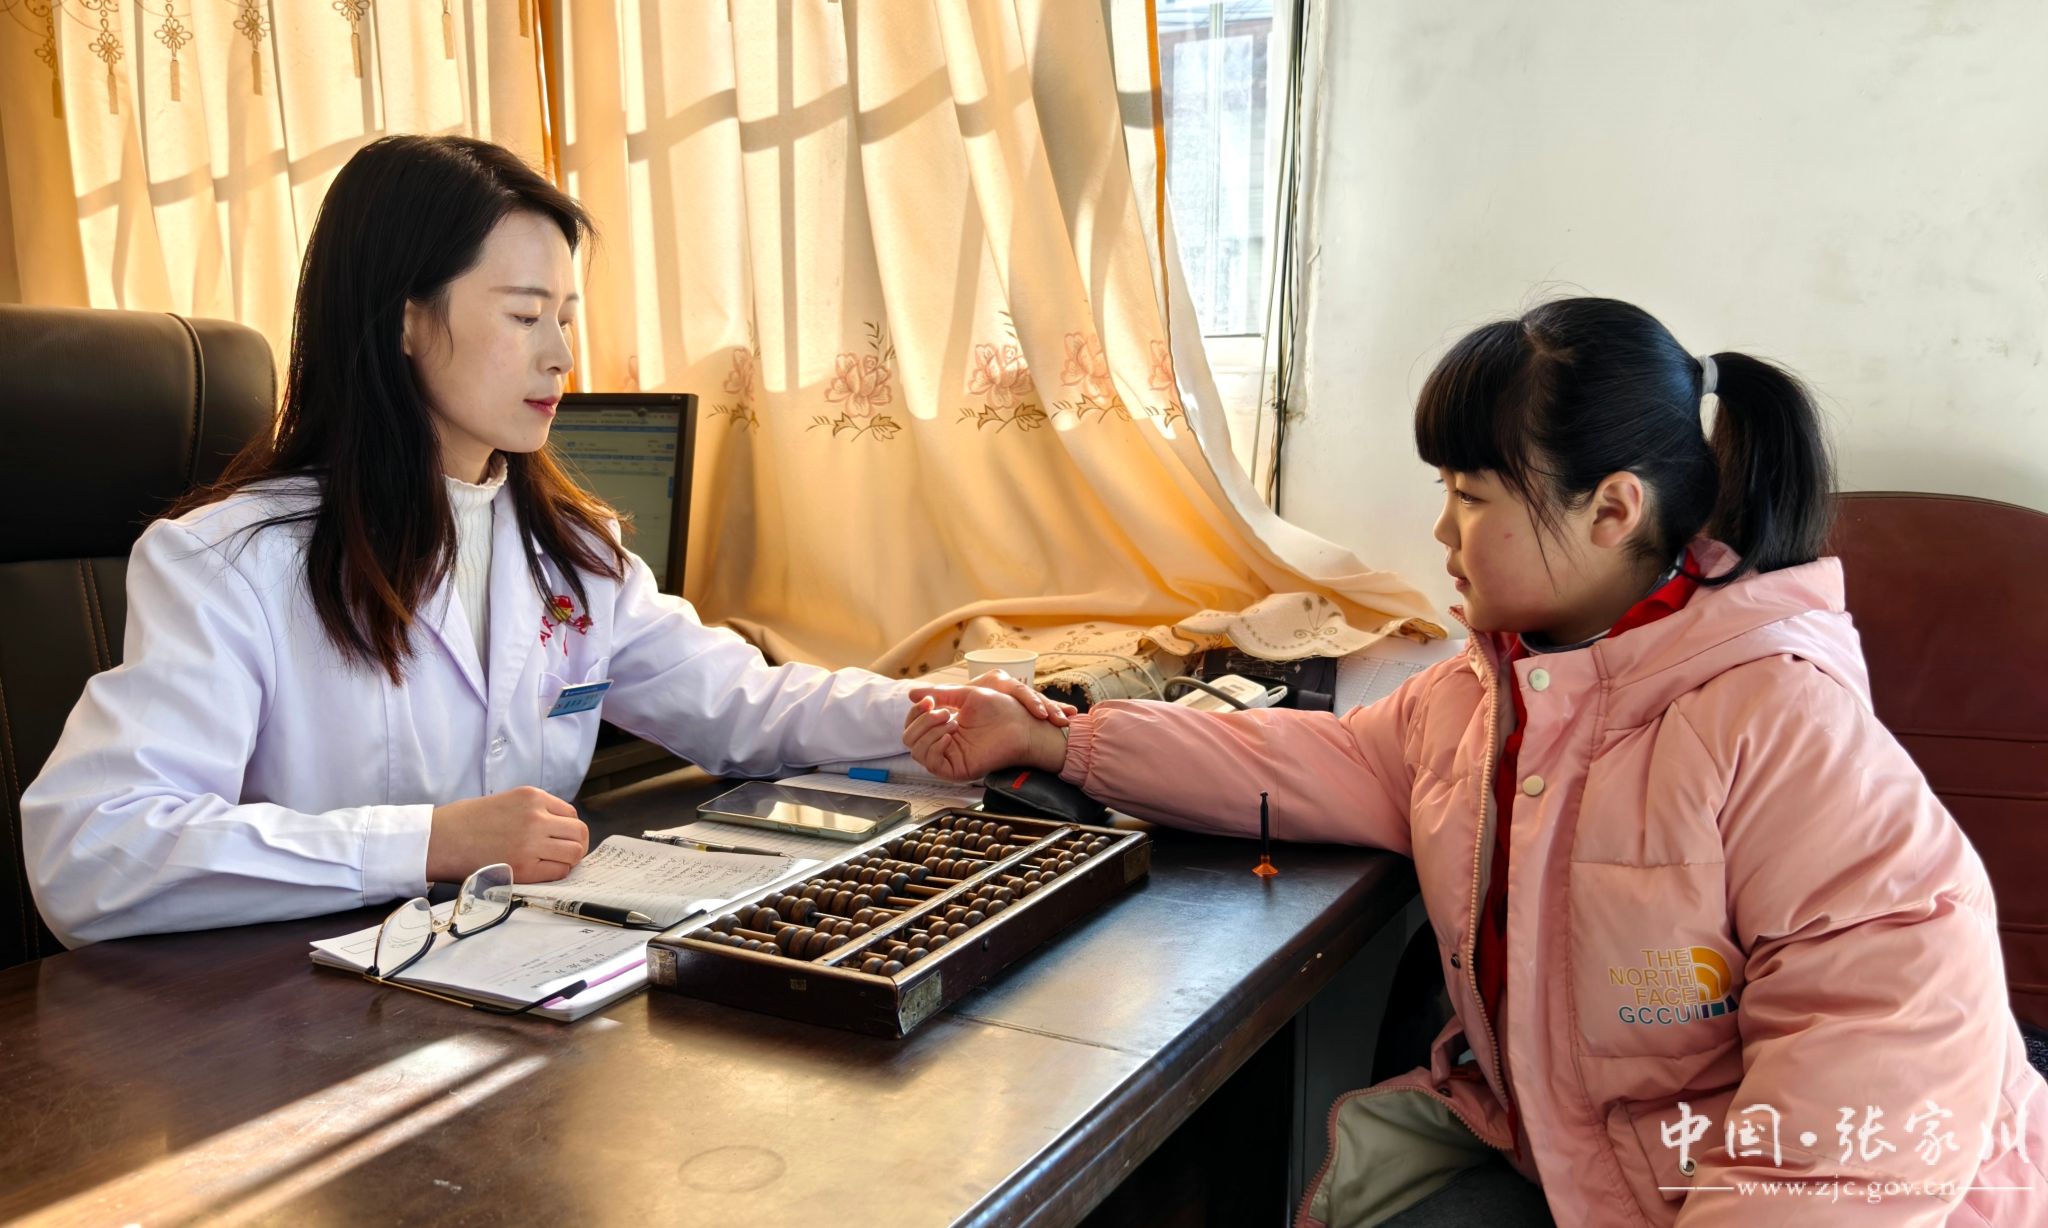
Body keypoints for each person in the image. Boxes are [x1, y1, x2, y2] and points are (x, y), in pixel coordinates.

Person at [901, 298, 2047, 1226]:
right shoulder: (1494, 690)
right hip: (1591, 1161)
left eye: (1469, 497)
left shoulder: (1776, 719)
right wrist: (1059, 737)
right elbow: (1316, 759)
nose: (1442, 534)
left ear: (1610, 510)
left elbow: (1879, 1068)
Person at [22, 135, 1060, 948]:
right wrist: (431, 840)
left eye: (566, 315)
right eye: (524, 316)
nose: (562, 354)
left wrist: (931, 712)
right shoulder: (230, 563)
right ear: (403, 321)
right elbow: (92, 850)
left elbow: (745, 708)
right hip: (285, 1034)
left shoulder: (574, 551)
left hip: (510, 988)